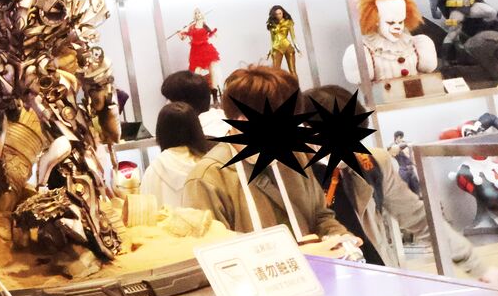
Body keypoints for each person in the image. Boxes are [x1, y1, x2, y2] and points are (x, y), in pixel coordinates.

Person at [303, 85, 498, 284]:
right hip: (318, 285)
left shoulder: (372, 164)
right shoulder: (292, 178)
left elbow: (418, 218)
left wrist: (478, 267)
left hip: (377, 278)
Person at [185, 66, 353, 243]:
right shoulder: (208, 177)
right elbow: (210, 249)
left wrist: (341, 238)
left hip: (314, 259)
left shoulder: (297, 156)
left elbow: (321, 216)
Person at [140, 102, 213, 208]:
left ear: (161, 132)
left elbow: (145, 211)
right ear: (196, 129)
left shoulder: (153, 170)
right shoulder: (208, 166)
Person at [160, 70, 227, 137]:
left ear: (184, 103)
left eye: (170, 100)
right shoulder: (219, 117)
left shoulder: (201, 134)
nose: (167, 104)